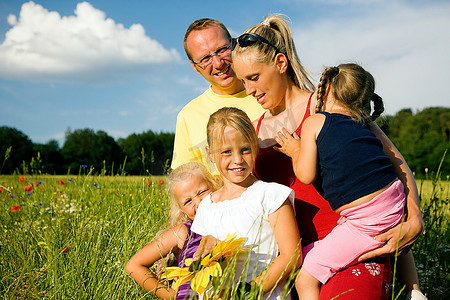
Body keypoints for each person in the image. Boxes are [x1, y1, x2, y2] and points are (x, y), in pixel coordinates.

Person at [231, 14, 424, 299]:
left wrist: (415, 218)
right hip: (298, 258)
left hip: (355, 244)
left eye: (254, 78)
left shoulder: (328, 108)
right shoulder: (254, 133)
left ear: (281, 64)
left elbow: (392, 159)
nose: (249, 90)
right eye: (243, 81)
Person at [274, 63, 425, 299]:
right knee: (311, 251)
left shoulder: (315, 122)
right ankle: (413, 291)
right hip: (394, 199)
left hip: (366, 221)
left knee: (305, 278)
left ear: (326, 91)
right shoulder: (363, 123)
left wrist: (295, 151)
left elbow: (305, 175)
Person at [191, 107, 302, 299]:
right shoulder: (206, 206)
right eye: (226, 152)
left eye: (245, 149)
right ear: (210, 154)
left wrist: (246, 292)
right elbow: (199, 260)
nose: (237, 160)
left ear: (255, 147)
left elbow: (292, 256)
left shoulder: (271, 195)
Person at [171, 18, 264, 174]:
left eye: (222, 50)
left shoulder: (268, 94)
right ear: (194, 66)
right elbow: (186, 181)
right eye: (205, 59)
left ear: (234, 44)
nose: (218, 63)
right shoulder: (188, 117)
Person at [125, 162, 220, 299]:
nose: (198, 203)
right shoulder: (184, 233)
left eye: (202, 192)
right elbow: (133, 266)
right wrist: (171, 295)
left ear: (215, 185)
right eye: (188, 202)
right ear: (181, 209)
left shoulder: (232, 222)